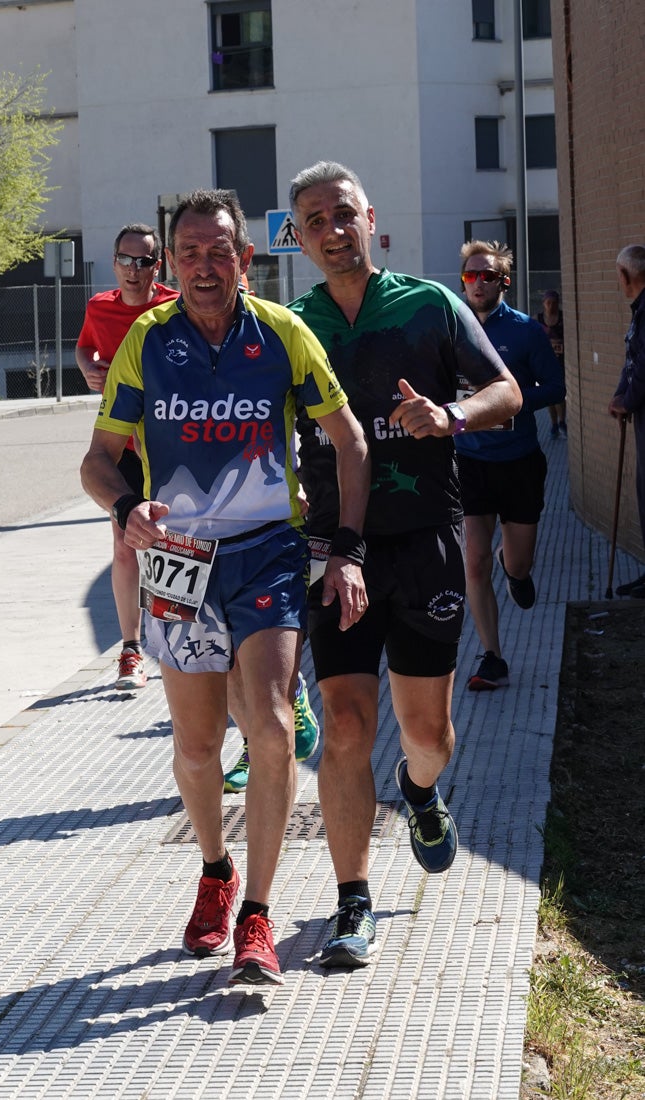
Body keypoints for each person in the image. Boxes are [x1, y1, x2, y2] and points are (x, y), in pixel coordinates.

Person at [80, 188, 370, 986]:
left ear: (246, 260)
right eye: (189, 253)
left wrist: (344, 547)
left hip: (265, 553)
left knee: (272, 727)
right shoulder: (146, 339)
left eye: (220, 251)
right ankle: (215, 870)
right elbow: (97, 460)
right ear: (172, 264)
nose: (204, 266)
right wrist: (124, 503)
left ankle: (259, 916)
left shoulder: (281, 332)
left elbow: (349, 440)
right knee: (197, 746)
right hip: (178, 562)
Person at [287, 161, 522, 968]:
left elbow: (507, 390)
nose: (330, 229)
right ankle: (352, 902)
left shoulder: (428, 304)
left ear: (368, 217)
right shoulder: (293, 323)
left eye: (341, 213)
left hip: (425, 542)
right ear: (301, 237)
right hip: (336, 550)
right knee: (346, 725)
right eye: (313, 220)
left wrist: (449, 414)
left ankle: (419, 791)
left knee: (430, 735)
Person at [457, 240, 566, 691]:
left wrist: (512, 404)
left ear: (503, 281)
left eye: (486, 276)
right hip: (469, 462)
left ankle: (514, 567)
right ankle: (492, 657)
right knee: (475, 563)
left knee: (516, 564)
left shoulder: (526, 331)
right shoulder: (451, 330)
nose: (478, 283)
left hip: (519, 462)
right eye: (470, 276)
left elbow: (555, 388)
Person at [76, 224, 178, 690]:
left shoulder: (177, 307)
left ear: (158, 265)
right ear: (114, 261)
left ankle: (181, 641)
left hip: (173, 446)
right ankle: (131, 650)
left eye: (144, 261)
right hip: (123, 447)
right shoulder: (100, 306)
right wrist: (86, 366)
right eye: (125, 259)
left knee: (177, 543)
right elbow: (84, 345)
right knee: (124, 544)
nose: (133, 270)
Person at [608, 244, 645, 597]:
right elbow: (631, 361)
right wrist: (620, 397)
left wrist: (628, 400)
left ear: (625, 275)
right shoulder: (639, 311)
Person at [537, 289, 567, 438]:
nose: (551, 306)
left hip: (561, 362)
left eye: (554, 303)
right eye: (548, 303)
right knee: (549, 394)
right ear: (543, 304)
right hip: (545, 363)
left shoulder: (563, 318)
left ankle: (562, 422)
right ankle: (553, 424)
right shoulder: (538, 319)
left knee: (560, 394)